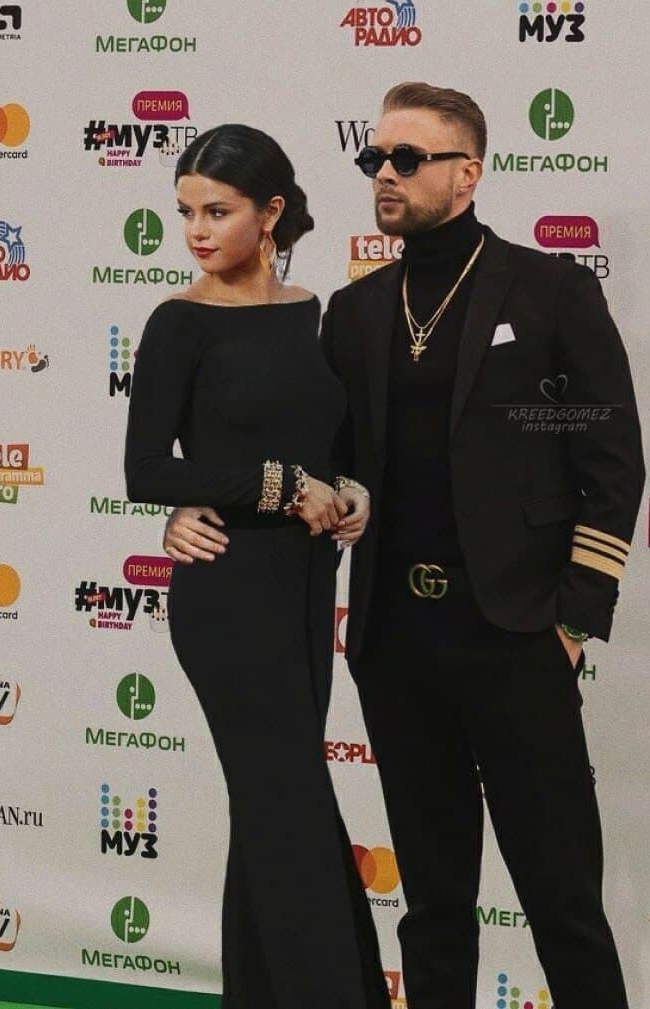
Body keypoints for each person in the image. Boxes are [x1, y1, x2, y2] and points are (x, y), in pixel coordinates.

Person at [164, 84, 646, 1009]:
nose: (384, 173)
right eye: (375, 158)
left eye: (408, 158)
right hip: (395, 644)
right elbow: (314, 464)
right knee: (431, 907)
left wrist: (573, 622)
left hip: (516, 637)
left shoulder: (548, 291)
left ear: (467, 174)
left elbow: (611, 463)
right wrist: (188, 504)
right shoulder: (352, 311)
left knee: (563, 906)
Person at [124, 124, 387, 1009]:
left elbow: (337, 442)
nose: (196, 231)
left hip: (307, 591)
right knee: (289, 802)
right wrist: (278, 486)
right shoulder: (178, 322)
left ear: (270, 212)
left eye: (218, 211)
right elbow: (146, 469)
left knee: (276, 806)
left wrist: (347, 488)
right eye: (185, 212)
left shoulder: (317, 313)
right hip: (228, 590)